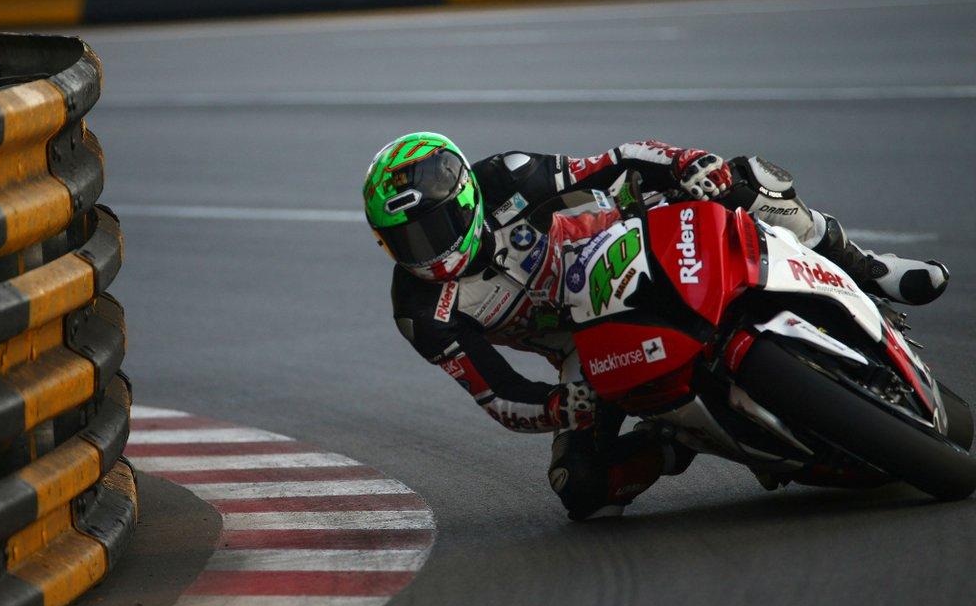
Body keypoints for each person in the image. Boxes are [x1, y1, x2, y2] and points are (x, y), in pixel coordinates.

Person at [362, 132, 949, 519]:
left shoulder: (506, 176)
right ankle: (678, 439)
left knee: (745, 179)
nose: (425, 251)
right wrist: (561, 407)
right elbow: (497, 393)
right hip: (582, 347)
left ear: (465, 200)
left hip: (624, 239)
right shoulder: (421, 312)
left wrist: (686, 163)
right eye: (405, 241)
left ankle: (871, 270)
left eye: (432, 230)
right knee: (581, 490)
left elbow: (613, 161)